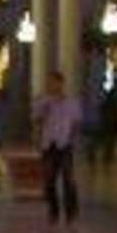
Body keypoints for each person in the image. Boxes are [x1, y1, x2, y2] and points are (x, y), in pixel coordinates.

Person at [32, 71, 82, 223]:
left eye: (55, 82)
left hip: (65, 144)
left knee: (68, 179)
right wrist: (44, 110)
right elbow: (36, 120)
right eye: (50, 82)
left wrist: (73, 140)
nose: (53, 86)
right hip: (49, 144)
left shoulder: (72, 102)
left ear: (61, 83)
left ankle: (71, 211)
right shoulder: (43, 102)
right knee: (49, 179)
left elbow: (76, 123)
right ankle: (53, 210)